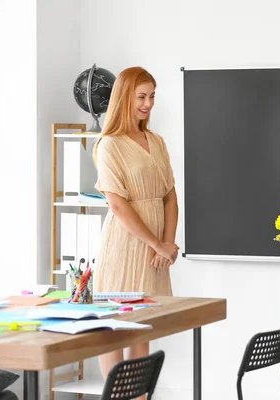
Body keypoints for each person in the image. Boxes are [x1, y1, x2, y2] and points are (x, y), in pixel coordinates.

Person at [92, 67, 179, 384]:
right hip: (124, 246)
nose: (148, 103)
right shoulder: (109, 144)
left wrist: (167, 246)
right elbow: (117, 204)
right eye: (141, 97)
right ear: (124, 98)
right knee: (113, 329)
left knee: (142, 328)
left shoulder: (155, 141)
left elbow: (170, 197)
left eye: (152, 96)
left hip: (156, 249)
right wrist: (157, 244)